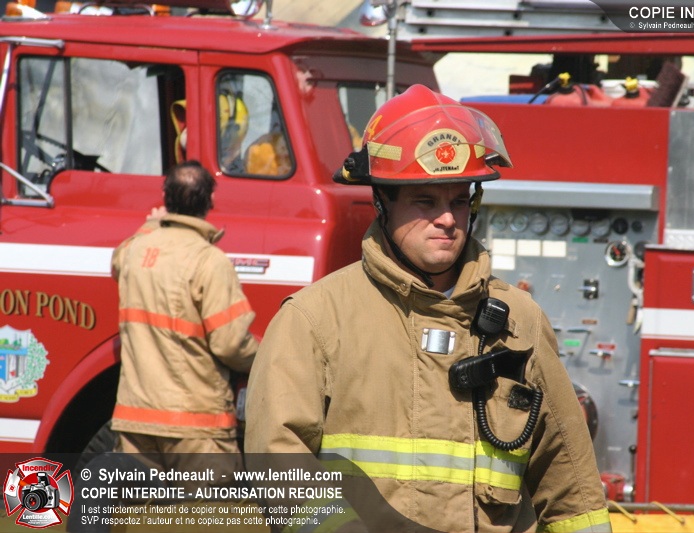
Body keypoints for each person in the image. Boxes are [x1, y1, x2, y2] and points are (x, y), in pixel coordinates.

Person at [245, 85, 611, 532]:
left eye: (458, 200)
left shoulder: (520, 321)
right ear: (382, 200)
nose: (448, 219)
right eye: (425, 200)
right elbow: (280, 466)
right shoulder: (315, 320)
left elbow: (572, 487)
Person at [111, 160, 258, 482]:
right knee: (206, 510)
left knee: (138, 511)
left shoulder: (136, 251)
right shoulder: (210, 261)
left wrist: (151, 225)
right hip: (196, 427)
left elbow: (118, 258)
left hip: (135, 421)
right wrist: (267, 358)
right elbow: (230, 344)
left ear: (165, 198)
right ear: (210, 201)